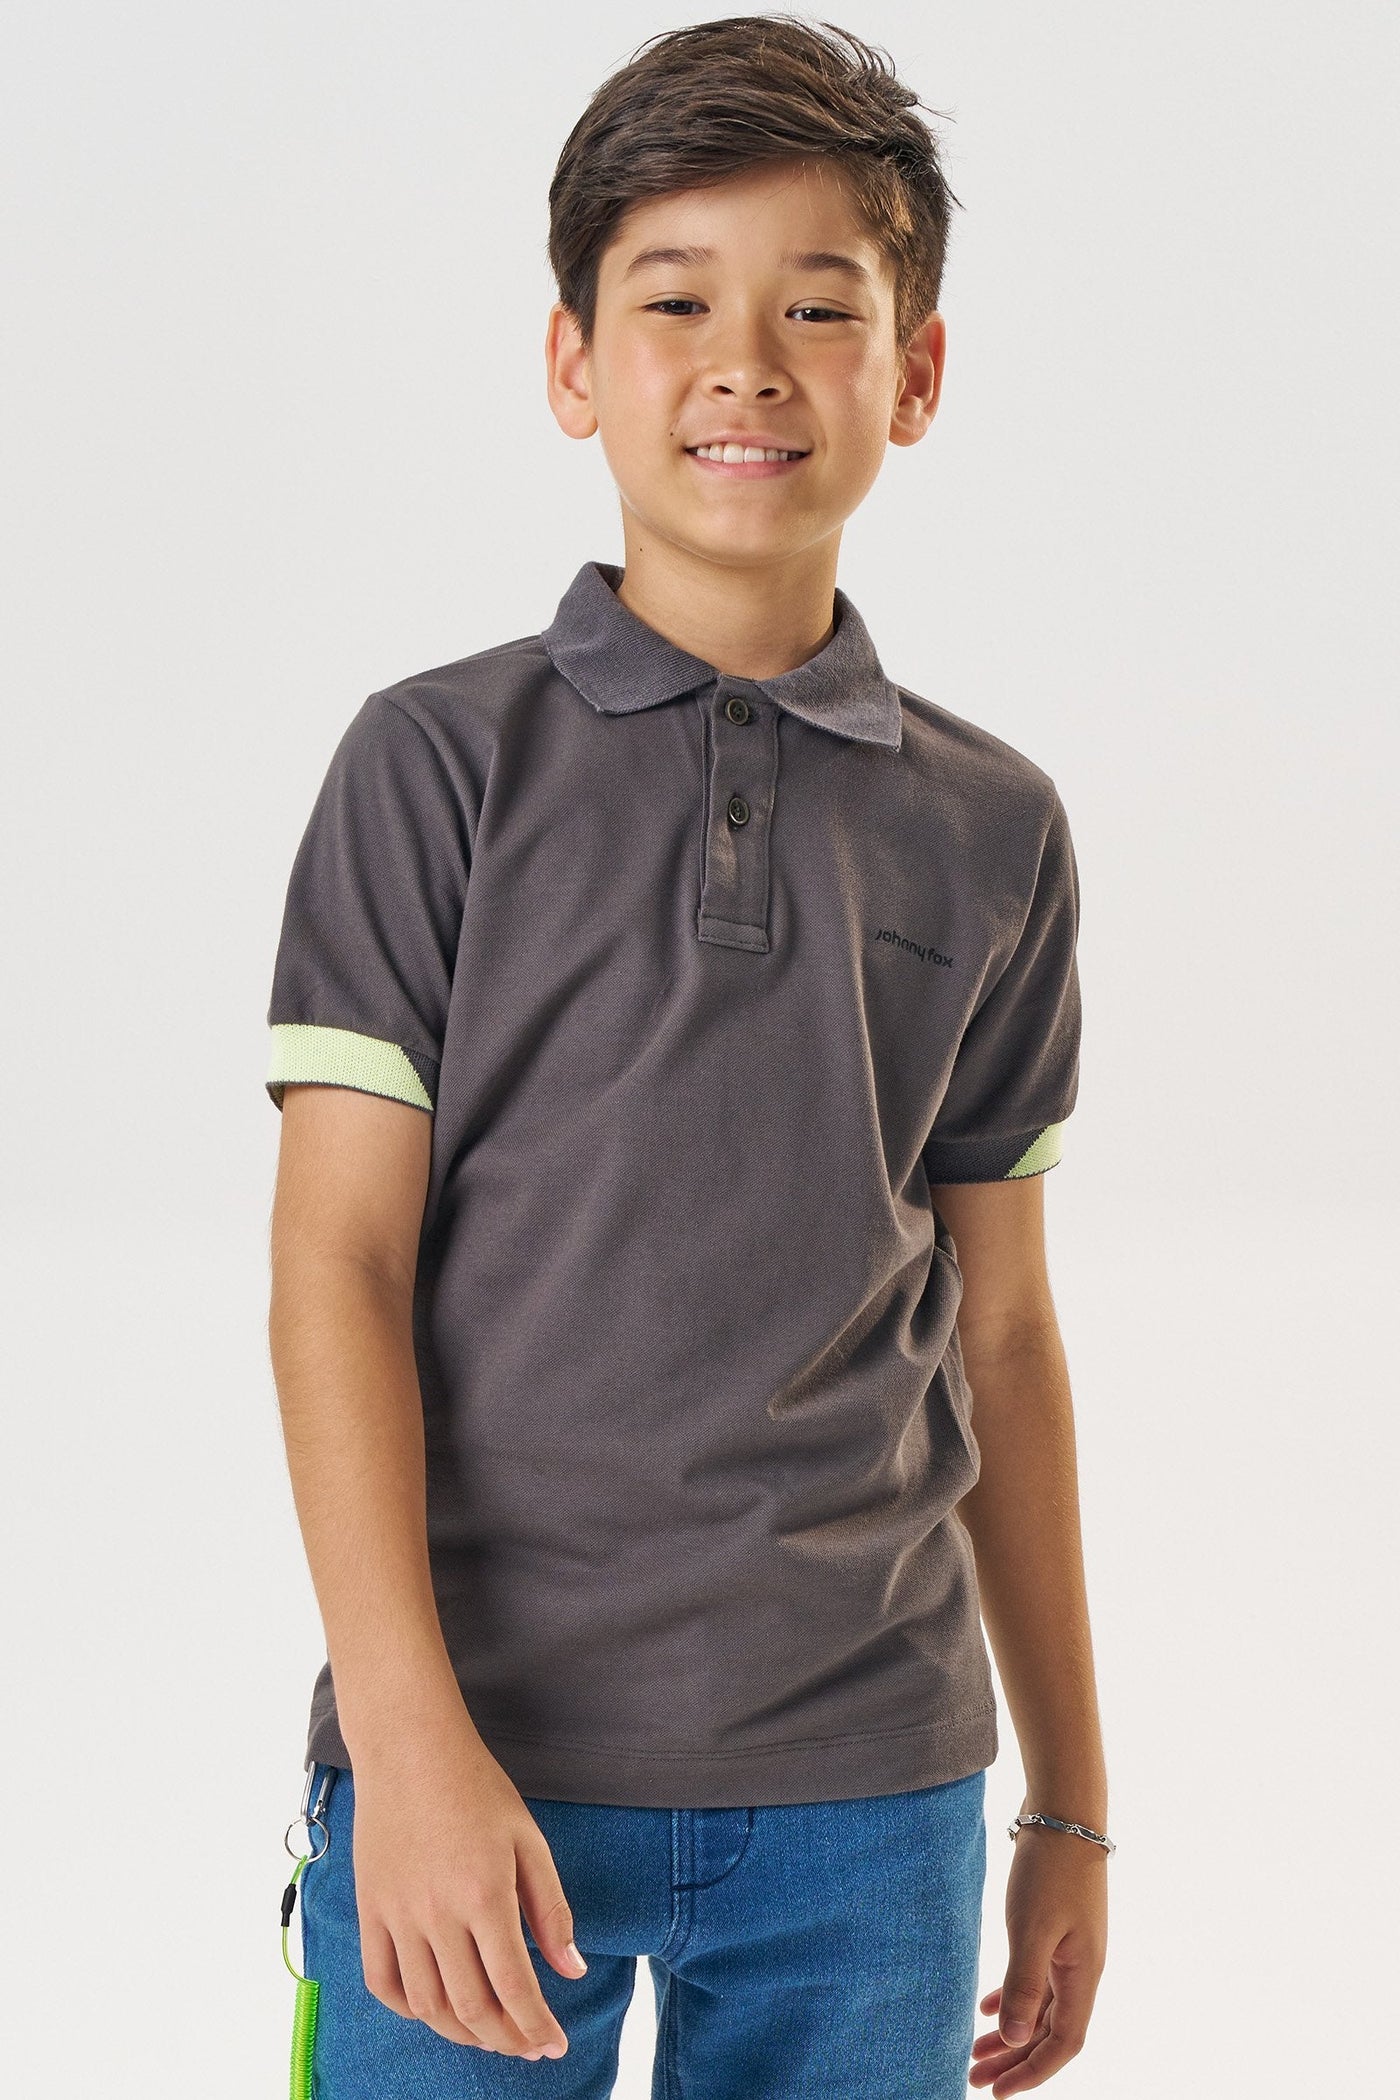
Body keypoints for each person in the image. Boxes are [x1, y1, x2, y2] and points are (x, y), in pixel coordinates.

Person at [264, 16, 1112, 2098]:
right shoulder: (433, 765)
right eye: (675, 304)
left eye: (819, 308)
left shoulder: (993, 827)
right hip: (471, 1774)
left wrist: (1070, 1810)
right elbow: (335, 1270)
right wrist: (408, 1742)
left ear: (914, 373)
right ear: (573, 363)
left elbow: (1003, 1332)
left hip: (872, 1801)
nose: (748, 364)